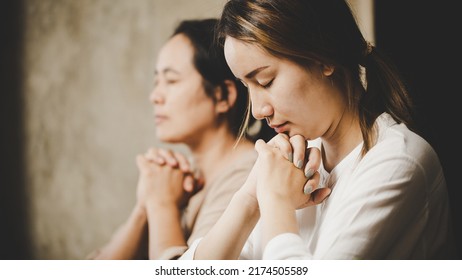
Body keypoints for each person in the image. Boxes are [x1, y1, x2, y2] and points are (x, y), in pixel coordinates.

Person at [179, 0, 455, 260]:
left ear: (323, 57)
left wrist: (276, 202)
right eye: (246, 86)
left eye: (266, 81)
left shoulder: (397, 161)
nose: (257, 111)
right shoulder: (295, 169)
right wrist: (250, 198)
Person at [87, 18, 278, 260]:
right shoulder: (182, 177)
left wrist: (162, 204)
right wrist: (145, 206)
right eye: (156, 82)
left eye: (171, 81)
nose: (155, 96)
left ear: (223, 96)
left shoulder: (247, 176)